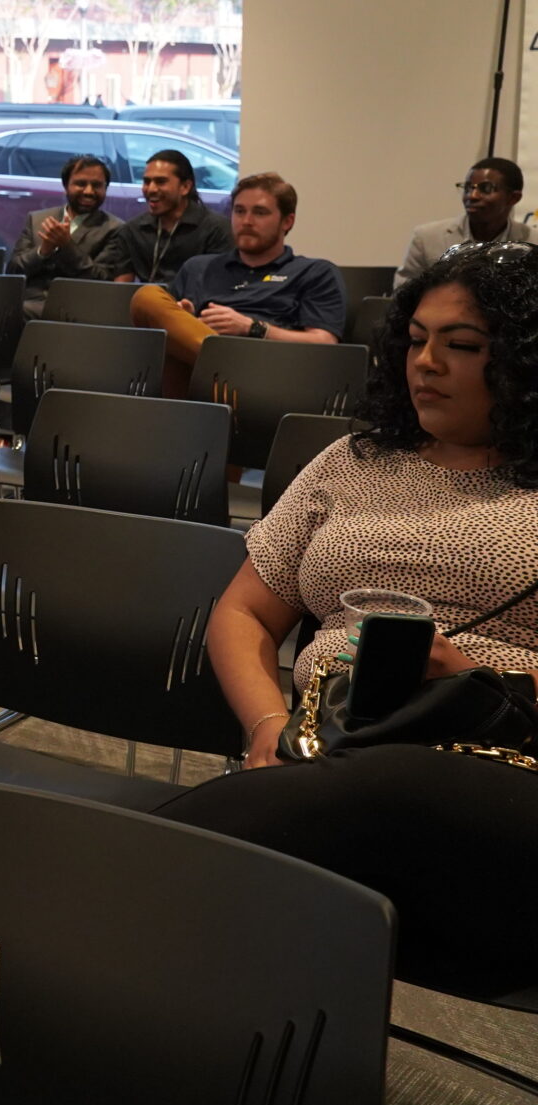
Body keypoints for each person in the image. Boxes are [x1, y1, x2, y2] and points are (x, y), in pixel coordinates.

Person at [157, 247, 538, 1003]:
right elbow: (241, 612)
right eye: (417, 339)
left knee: (392, 779)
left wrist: (466, 672)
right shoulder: (352, 462)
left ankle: (20, 884)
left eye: (460, 346)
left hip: (501, 780)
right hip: (328, 753)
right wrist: (268, 724)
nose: (426, 363)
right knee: (334, 815)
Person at [130, 172, 345, 393]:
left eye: (260, 213)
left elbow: (325, 344)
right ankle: (226, 374)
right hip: (199, 381)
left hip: (268, 379)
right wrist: (184, 318)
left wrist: (252, 328)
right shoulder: (199, 268)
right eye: (239, 211)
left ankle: (231, 375)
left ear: (287, 221)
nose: (247, 221)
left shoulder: (314, 272)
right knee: (148, 297)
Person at [103, 147, 229, 286]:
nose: (151, 189)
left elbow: (219, 288)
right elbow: (121, 288)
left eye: (160, 182)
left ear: (185, 187)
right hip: (146, 304)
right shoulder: (132, 230)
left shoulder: (216, 229)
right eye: (146, 181)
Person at [398, 156, 533, 282]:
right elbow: (403, 297)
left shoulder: (533, 242)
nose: (472, 196)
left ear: (513, 198)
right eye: (468, 188)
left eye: (485, 188)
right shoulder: (427, 239)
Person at [6, 152, 119, 296]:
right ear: (66, 186)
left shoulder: (114, 228)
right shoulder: (36, 219)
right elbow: (12, 272)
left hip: (75, 306)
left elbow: (102, 281)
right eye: (81, 184)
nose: (89, 191)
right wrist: (43, 251)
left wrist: (67, 246)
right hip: (27, 302)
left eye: (97, 185)